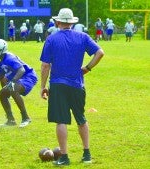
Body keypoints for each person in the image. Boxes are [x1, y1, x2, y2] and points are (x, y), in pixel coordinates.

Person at [40, 8, 104, 166]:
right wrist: (87, 68)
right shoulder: (83, 36)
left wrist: (42, 86)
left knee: (61, 121)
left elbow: (45, 66)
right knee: (81, 119)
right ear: (72, 23)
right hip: (77, 84)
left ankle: (64, 157)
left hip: (58, 85)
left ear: (57, 22)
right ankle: (87, 154)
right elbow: (100, 53)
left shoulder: (51, 39)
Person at [0, 39, 37, 128]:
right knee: (2, 94)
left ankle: (26, 118)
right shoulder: (2, 61)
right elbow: (0, 76)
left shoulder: (9, 58)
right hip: (20, 77)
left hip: (27, 76)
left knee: (13, 89)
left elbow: (21, 70)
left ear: (0, 49)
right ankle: (11, 120)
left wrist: (13, 82)